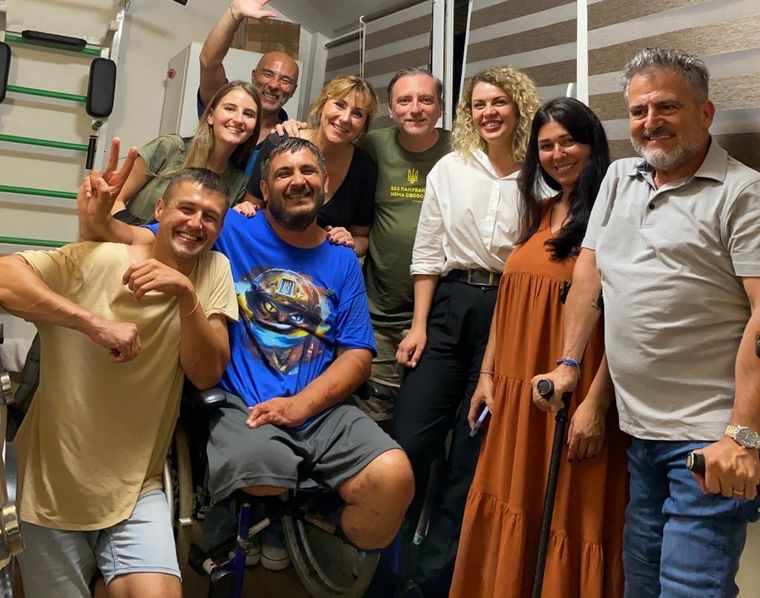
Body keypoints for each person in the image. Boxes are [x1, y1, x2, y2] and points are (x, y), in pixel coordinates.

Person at [79, 137, 415, 557]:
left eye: (308, 171)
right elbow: (136, 238)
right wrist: (98, 213)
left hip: (322, 408)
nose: (298, 181)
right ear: (265, 188)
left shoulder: (342, 257)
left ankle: (312, 523)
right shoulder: (229, 230)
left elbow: (358, 355)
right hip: (245, 406)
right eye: (284, 173)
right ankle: (262, 510)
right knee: (262, 473)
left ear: (326, 183)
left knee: (395, 478)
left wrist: (302, 406)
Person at [533, 48, 760, 598]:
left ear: (705, 113)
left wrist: (743, 435)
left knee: (689, 588)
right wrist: (568, 363)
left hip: (708, 437)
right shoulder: (619, 177)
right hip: (640, 432)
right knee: (640, 582)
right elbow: (590, 276)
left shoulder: (743, 192)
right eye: (639, 110)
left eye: (667, 107)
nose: (650, 122)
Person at [0, 162, 239, 598]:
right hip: (51, 488)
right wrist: (91, 323)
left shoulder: (213, 270)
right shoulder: (100, 258)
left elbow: (206, 372)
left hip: (136, 487)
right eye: (186, 209)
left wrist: (185, 295)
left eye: (210, 217)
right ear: (160, 210)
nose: (196, 224)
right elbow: (4, 277)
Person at [450, 97, 628, 598]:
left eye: (569, 141)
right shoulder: (540, 210)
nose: (557, 154)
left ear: (592, 144)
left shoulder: (615, 215)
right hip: (517, 388)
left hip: (574, 392)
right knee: (513, 499)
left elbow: (626, 319)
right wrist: (487, 377)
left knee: (569, 512)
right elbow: (508, 303)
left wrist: (596, 405)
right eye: (546, 145)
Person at [394, 66, 541, 595]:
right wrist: (418, 326)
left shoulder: (539, 172)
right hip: (450, 304)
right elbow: (428, 250)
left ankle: (436, 578)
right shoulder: (450, 167)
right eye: (479, 104)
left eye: (499, 102)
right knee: (411, 439)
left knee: (472, 453)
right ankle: (391, 566)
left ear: (518, 107)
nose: (488, 113)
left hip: (512, 308)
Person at [354, 67, 451, 427]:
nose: (415, 109)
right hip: (379, 311)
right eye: (405, 100)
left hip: (438, 314)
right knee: (372, 414)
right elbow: (328, 145)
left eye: (425, 100)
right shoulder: (373, 146)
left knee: (421, 420)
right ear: (391, 109)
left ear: (440, 107)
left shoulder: (460, 149)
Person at [244, 75, 379, 256]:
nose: (345, 118)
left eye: (357, 114)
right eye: (339, 105)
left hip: (320, 263)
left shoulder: (364, 168)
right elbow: (250, 208)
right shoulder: (280, 141)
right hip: (264, 252)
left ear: (364, 124)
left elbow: (362, 238)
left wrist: (351, 242)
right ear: (322, 105)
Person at [110, 80, 261, 224]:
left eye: (248, 114)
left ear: (254, 128)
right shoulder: (170, 148)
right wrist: (136, 236)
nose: (239, 119)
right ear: (210, 116)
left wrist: (238, 216)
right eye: (230, 109)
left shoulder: (239, 183)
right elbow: (115, 199)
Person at [199, 0, 299, 172]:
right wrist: (234, 14)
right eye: (267, 74)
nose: (274, 85)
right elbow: (209, 62)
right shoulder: (226, 111)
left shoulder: (288, 137)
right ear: (254, 76)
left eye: (285, 80)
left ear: (293, 90)